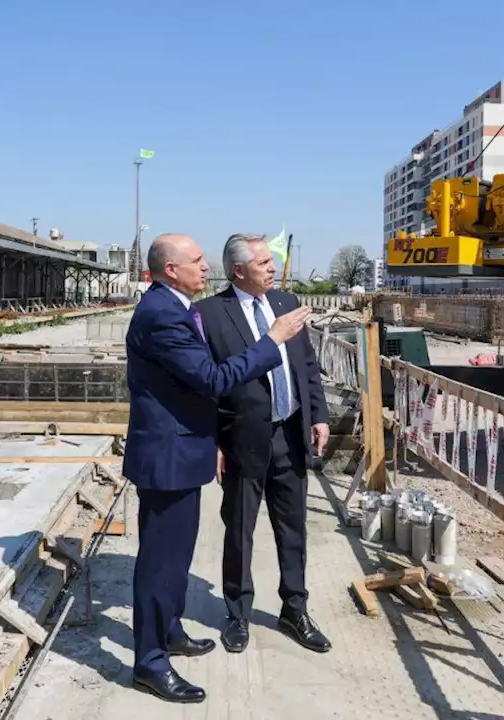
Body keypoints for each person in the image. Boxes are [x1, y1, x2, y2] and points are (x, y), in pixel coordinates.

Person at [123, 233, 311, 703]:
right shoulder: (163, 315)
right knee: (159, 562)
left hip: (184, 453)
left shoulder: (176, 307)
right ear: (170, 270)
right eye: (197, 261)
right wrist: (271, 341)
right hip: (168, 457)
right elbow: (212, 378)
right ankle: (149, 663)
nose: (206, 268)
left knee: (177, 558)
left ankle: (169, 631)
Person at [195, 232, 331, 655]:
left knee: (293, 529)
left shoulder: (287, 304)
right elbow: (205, 387)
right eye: (263, 263)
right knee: (240, 530)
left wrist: (319, 415)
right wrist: (212, 442)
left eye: (272, 262)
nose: (273, 268)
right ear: (238, 270)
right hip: (241, 441)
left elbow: (307, 365)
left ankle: (295, 608)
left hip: (289, 434)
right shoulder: (210, 315)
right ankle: (237, 613)